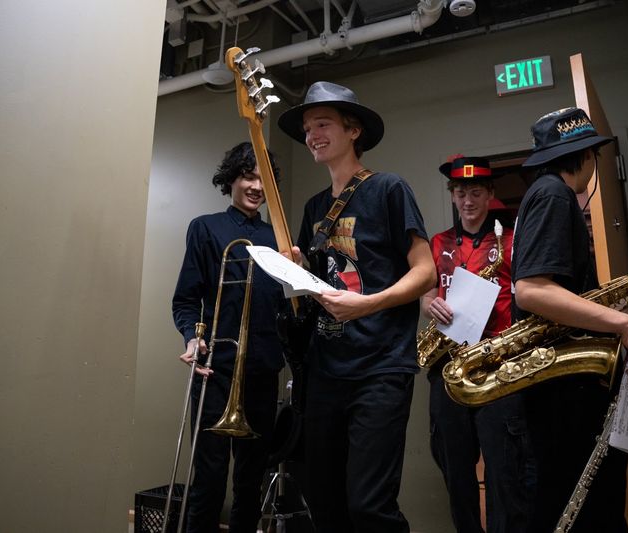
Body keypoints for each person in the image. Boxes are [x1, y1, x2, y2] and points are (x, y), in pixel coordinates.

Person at [276, 81, 436, 533]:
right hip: (325, 372)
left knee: (370, 506)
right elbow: (324, 280)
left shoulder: (388, 189)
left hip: (380, 369)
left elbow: (424, 272)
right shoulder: (314, 208)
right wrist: (300, 266)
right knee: (324, 502)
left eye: (322, 124)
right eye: (307, 128)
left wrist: (368, 305)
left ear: (354, 131)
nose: (311, 135)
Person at [512, 107, 628, 532]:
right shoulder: (554, 195)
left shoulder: (541, 194)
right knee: (586, 510)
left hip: (559, 389)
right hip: (566, 393)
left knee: (576, 506)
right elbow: (532, 290)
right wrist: (625, 325)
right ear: (587, 157)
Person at [172, 141, 285, 533]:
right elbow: (186, 299)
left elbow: (287, 309)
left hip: (263, 370)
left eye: (263, 180)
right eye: (248, 175)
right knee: (209, 481)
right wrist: (192, 337)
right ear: (231, 179)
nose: (256, 186)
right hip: (215, 371)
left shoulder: (279, 240)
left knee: (251, 481)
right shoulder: (205, 228)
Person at [421, 155, 534, 533]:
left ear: (490, 194)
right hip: (449, 364)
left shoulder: (513, 241)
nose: (467, 200)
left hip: (498, 362)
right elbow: (425, 295)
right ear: (452, 195)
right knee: (455, 469)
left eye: (475, 192)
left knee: (506, 469)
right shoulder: (438, 243)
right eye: (460, 192)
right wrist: (429, 305)